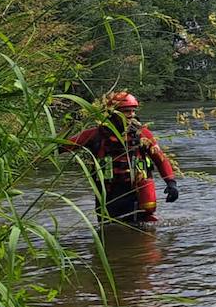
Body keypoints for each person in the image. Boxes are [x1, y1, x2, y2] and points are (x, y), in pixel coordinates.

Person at [67, 91, 179, 224]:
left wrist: (171, 183)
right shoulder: (95, 135)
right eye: (127, 111)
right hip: (108, 194)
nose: (132, 115)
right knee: (109, 231)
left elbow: (160, 160)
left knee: (145, 235)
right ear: (113, 113)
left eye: (133, 111)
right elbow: (64, 146)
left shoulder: (142, 134)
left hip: (137, 192)